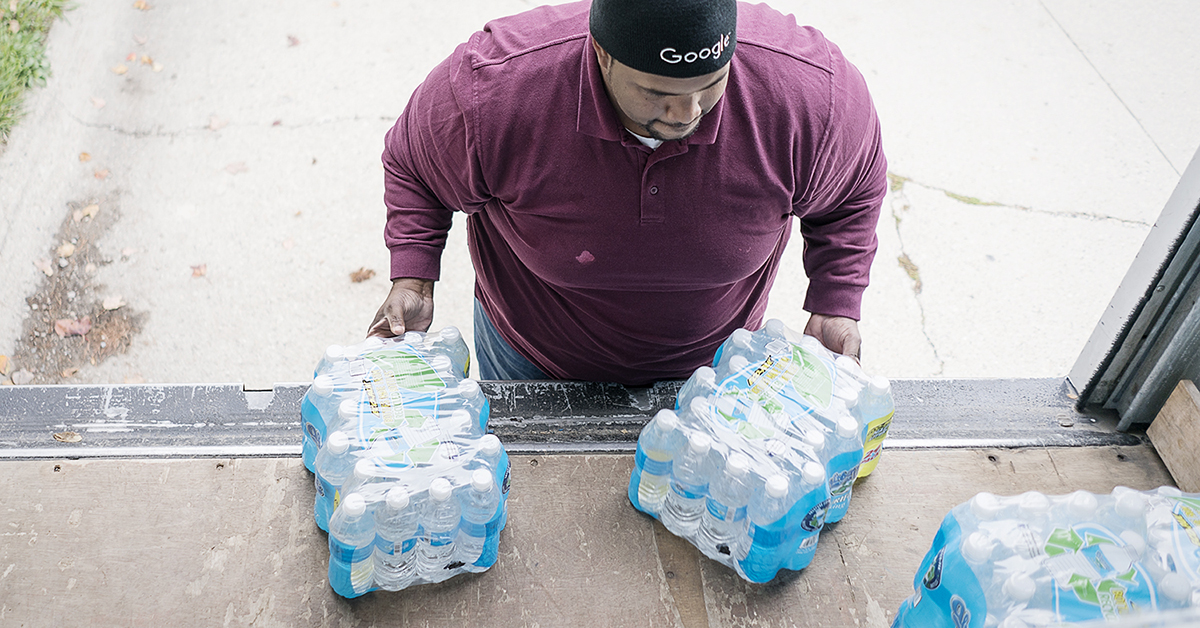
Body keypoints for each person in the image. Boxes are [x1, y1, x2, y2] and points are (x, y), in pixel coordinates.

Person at [368, 0, 887, 385]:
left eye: (711, 83)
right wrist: (413, 277)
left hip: (719, 372)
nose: (687, 114)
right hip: (533, 359)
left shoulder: (810, 94)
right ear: (601, 53)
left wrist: (836, 302)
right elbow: (416, 166)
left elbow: (853, 189)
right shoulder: (496, 89)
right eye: (657, 92)